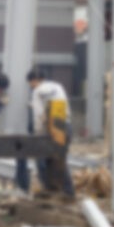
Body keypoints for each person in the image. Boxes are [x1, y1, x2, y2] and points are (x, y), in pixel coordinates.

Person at [27, 68, 75, 198]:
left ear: (34, 80)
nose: (30, 87)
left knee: (41, 160)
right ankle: (68, 191)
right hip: (65, 126)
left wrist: (38, 135)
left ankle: (48, 190)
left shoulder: (37, 92)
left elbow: (38, 116)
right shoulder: (58, 86)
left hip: (49, 131)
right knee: (59, 160)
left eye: (30, 84)